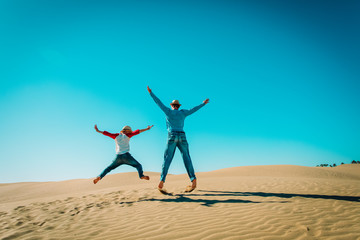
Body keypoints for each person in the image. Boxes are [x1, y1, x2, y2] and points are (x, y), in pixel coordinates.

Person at [147, 86, 209, 192]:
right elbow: (194, 109)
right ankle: (193, 179)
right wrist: (203, 103)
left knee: (167, 159)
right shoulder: (183, 112)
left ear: (172, 106)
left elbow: (159, 103)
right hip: (182, 136)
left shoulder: (168, 111)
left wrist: (151, 93)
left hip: (172, 135)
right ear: (178, 106)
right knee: (187, 157)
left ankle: (162, 180)